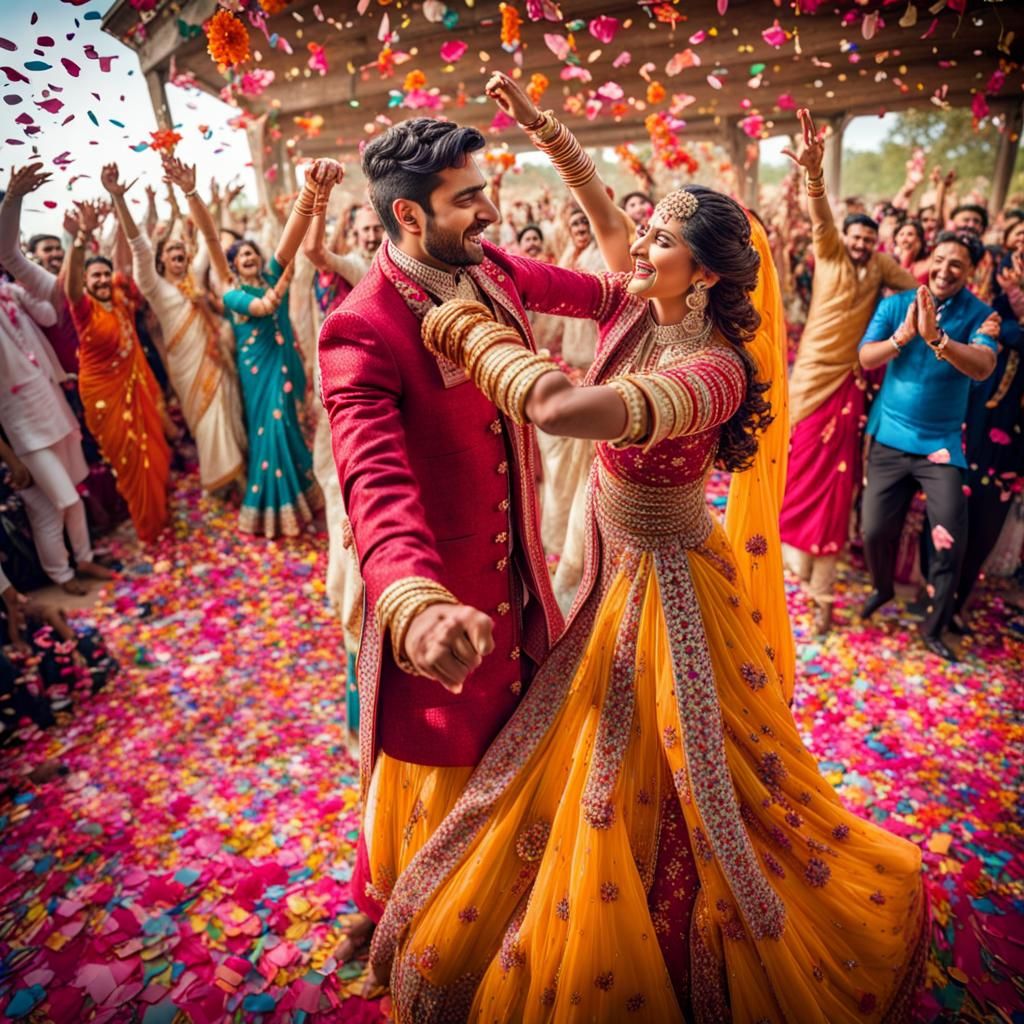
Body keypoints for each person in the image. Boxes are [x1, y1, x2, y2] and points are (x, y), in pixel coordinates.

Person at [361, 73, 927, 1023]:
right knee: (589, 744)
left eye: (660, 239)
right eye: (646, 232)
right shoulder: (642, 305)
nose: (637, 248)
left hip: (666, 591)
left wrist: (460, 323)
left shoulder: (709, 370)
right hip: (611, 566)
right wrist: (548, 131)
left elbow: (560, 407)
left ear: (702, 273)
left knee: (659, 759)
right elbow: (602, 217)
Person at [318, 116, 585, 963]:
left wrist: (692, 291)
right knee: (427, 766)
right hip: (442, 606)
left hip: (520, 582)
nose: (491, 212)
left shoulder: (491, 270)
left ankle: (492, 901)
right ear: (407, 218)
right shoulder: (363, 327)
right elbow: (375, 487)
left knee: (512, 750)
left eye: (486, 192)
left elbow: (602, 294)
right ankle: (390, 903)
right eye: (469, 199)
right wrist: (415, 602)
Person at [777, 109, 919, 635]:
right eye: (855, 236)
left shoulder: (882, 267)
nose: (859, 243)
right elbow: (819, 217)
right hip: (810, 380)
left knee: (837, 483)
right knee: (800, 473)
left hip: (849, 384)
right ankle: (797, 562)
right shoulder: (831, 251)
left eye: (866, 239)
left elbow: (920, 291)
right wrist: (813, 175)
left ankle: (821, 589)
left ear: (875, 243)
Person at [858, 230, 999, 661]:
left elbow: (984, 367)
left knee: (949, 539)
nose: (944, 270)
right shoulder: (897, 302)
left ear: (971, 271)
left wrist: (937, 338)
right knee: (874, 531)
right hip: (890, 437)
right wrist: (904, 336)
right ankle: (883, 589)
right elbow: (865, 357)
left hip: (941, 447)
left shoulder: (981, 315)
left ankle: (935, 626)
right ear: (928, 259)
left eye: (956, 264)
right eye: (939, 259)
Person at [104, 158, 246, 497]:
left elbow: (210, 236)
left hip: (214, 358)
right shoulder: (155, 288)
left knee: (227, 414)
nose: (177, 253)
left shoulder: (195, 279)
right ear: (162, 259)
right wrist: (119, 199)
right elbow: (139, 245)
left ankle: (237, 479)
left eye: (181, 249)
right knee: (207, 423)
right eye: (170, 251)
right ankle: (222, 481)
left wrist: (190, 191)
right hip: (185, 369)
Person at [1, 166, 128, 533]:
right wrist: (14, 198)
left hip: (104, 383)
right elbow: (9, 255)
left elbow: (117, 265)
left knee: (107, 459)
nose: (58, 256)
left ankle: (112, 522)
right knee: (83, 467)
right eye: (51, 250)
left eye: (64, 249)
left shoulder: (62, 290)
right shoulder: (45, 290)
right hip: (62, 393)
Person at [221, 164, 326, 538]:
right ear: (233, 265)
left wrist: (310, 192)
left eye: (253, 252)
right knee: (275, 429)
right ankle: (277, 514)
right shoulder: (232, 294)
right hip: (259, 374)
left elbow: (291, 236)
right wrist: (284, 279)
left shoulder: (268, 274)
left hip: (286, 364)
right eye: (242, 255)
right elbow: (264, 308)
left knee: (293, 430)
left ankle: (302, 505)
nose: (249, 257)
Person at [63, 200, 172, 544]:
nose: (99, 280)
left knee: (151, 454)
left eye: (103, 274)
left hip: (137, 387)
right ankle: (147, 528)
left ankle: (158, 517)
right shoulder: (84, 311)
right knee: (129, 464)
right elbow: (70, 285)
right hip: (103, 399)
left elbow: (127, 255)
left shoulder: (122, 300)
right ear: (84, 280)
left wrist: (118, 201)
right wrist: (82, 237)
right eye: (92, 276)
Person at [0, 280, 110, 594]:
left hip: (53, 413)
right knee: (56, 506)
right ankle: (61, 574)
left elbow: (49, 314)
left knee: (70, 501)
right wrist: (10, 459)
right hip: (25, 434)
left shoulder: (11, 293)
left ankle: (84, 559)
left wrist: (20, 286)